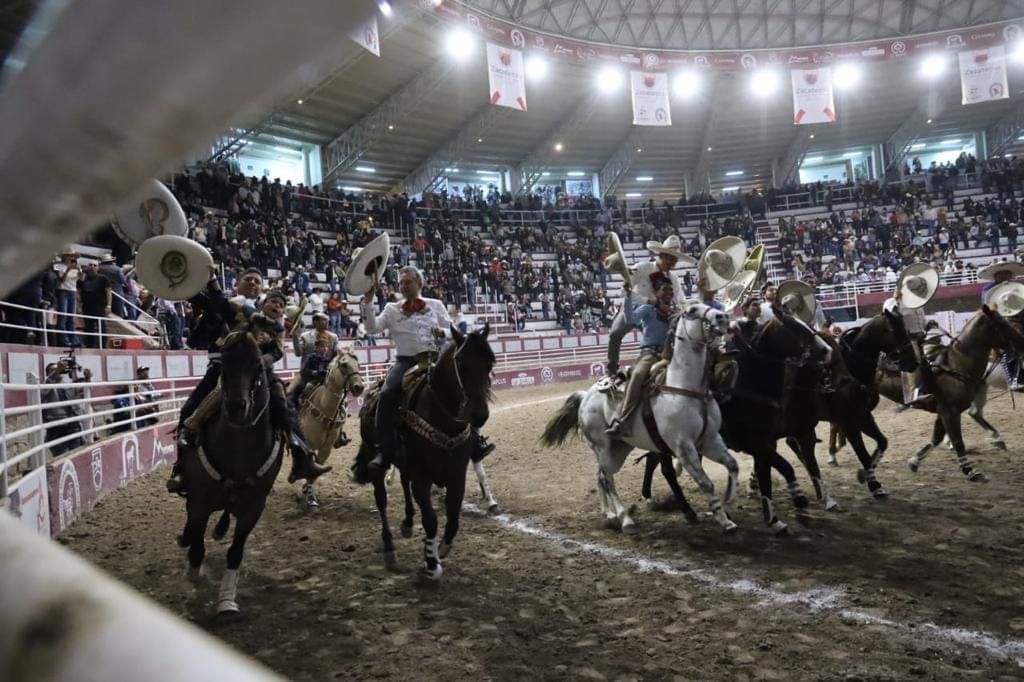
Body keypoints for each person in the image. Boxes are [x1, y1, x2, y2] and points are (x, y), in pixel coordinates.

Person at [166, 273, 330, 493]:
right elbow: (216, 305)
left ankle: (301, 454)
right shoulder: (237, 309)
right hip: (226, 368)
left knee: (284, 405)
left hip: (259, 371)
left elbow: (277, 350)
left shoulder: (270, 324)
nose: (277, 306)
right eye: (248, 279)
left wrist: (260, 362)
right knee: (190, 407)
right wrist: (195, 284)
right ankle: (182, 465)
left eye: (257, 281)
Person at [359, 265, 493, 475]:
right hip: (405, 362)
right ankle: (384, 451)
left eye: (408, 282)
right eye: (401, 282)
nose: (403, 286)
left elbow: (452, 332)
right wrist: (368, 302)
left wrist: (442, 333)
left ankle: (475, 443)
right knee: (386, 394)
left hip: (435, 360)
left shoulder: (436, 304)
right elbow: (371, 328)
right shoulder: (391, 309)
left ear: (419, 284)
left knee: (464, 389)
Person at [606, 236, 686, 375]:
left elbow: (680, 301)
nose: (673, 263)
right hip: (633, 309)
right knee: (615, 333)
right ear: (662, 255)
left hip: (654, 316)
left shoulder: (673, 279)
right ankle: (612, 367)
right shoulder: (642, 268)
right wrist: (650, 301)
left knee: (656, 342)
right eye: (671, 259)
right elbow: (624, 292)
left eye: (675, 260)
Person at [606, 281, 676, 438]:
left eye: (671, 290)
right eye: (664, 289)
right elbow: (630, 319)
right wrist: (628, 297)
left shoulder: (675, 311)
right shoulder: (648, 308)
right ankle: (623, 419)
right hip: (650, 354)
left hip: (672, 354)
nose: (669, 292)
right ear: (656, 293)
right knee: (637, 375)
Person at [42, 360, 84, 456]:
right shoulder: (45, 387)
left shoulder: (67, 385)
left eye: (60, 369)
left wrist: (88, 378)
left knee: (77, 456)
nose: (59, 371)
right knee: (63, 459)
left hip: (73, 427)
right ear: (49, 374)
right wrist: (56, 372)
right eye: (54, 370)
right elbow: (41, 393)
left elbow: (83, 393)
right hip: (57, 429)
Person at [77, 260, 111, 348]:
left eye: (95, 265)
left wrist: (109, 305)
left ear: (98, 267)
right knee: (88, 327)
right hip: (87, 306)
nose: (92, 266)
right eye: (91, 265)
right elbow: (78, 293)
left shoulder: (103, 278)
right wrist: (79, 306)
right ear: (88, 266)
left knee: (102, 327)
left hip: (99, 306)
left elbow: (108, 291)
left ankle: (103, 346)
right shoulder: (82, 279)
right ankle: (89, 345)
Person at [291, 337, 332, 410]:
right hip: (312, 379)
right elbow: (304, 371)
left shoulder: (328, 359)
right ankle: (297, 404)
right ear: (316, 348)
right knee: (302, 387)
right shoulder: (311, 357)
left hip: (324, 380)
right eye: (322, 346)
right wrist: (313, 372)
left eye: (326, 347)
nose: (325, 348)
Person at [53, 250, 81, 347]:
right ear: (64, 257)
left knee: (71, 317)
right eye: (69, 256)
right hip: (62, 291)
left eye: (72, 256)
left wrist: (80, 271)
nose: (71, 257)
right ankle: (63, 340)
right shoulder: (59, 266)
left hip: (72, 291)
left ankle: (72, 339)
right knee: (63, 316)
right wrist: (68, 269)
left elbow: (81, 279)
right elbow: (60, 280)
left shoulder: (77, 267)